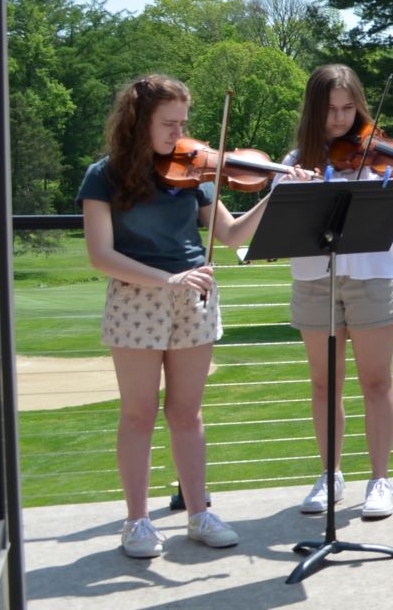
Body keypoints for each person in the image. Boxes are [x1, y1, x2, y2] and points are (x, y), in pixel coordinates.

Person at [79, 74, 295, 559]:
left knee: (186, 412)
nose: (180, 134)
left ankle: (198, 512)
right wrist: (166, 279)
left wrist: (276, 192)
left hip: (194, 296)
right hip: (136, 297)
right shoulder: (103, 175)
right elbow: (100, 255)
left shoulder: (193, 173)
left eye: (183, 123)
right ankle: (136, 521)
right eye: (168, 124)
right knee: (137, 415)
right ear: (138, 123)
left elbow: (233, 235)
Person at [279, 65, 393, 521]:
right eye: (331, 110)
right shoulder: (294, 162)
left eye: (349, 108)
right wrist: (290, 189)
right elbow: (281, 223)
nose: (341, 119)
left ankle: (380, 479)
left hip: (372, 274)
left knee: (376, 381)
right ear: (314, 111)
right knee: (324, 383)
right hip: (315, 278)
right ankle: (330, 474)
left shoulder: (382, 158)